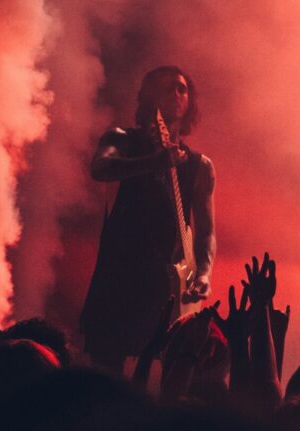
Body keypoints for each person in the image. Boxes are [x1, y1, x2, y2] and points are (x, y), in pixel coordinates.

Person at [79, 66, 216, 372]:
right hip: (118, 277)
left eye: (182, 88)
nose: (176, 94)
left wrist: (203, 273)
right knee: (106, 370)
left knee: (166, 370)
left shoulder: (200, 166)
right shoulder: (121, 139)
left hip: (165, 284)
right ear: (148, 97)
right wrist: (153, 162)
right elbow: (101, 168)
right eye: (167, 88)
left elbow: (206, 231)